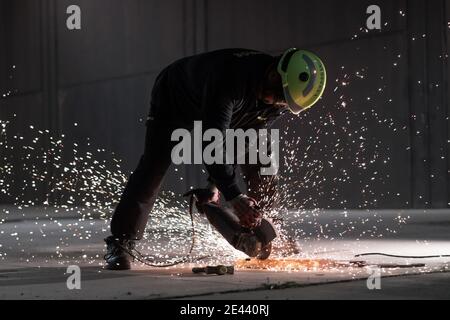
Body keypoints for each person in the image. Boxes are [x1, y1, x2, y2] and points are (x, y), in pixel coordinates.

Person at [104, 48, 326, 270]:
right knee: (154, 165)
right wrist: (234, 196)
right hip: (175, 97)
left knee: (263, 160)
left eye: (283, 103)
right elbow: (212, 143)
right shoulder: (230, 79)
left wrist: (215, 184)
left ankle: (263, 229)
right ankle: (121, 242)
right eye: (277, 96)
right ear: (274, 74)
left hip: (231, 109)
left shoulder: (281, 100)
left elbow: (243, 139)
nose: (276, 103)